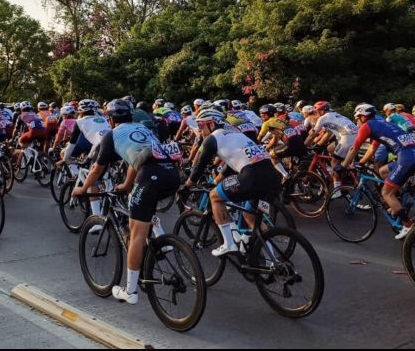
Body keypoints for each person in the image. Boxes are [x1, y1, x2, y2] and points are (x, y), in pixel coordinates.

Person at [71, 100, 180, 305]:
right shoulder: (142, 127)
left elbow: (96, 169)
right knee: (139, 206)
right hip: (171, 175)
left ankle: (130, 291)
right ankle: (158, 240)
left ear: (111, 119)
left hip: (150, 177)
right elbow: (135, 160)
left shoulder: (111, 135)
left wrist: (83, 189)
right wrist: (127, 184)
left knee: (136, 233)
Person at [184, 106, 282, 256]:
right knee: (249, 216)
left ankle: (229, 243)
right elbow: (231, 166)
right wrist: (217, 181)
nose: (200, 130)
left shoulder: (213, 138)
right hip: (273, 176)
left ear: (211, 124)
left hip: (252, 176)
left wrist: (186, 187)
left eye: (201, 125)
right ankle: (272, 259)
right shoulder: (236, 133)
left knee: (214, 197)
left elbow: (199, 167)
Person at [341, 103, 415, 239]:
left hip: (406, 159)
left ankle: (407, 224)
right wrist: (361, 162)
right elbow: (372, 149)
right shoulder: (382, 124)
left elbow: (354, 148)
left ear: (363, 117)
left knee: (386, 192)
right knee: (383, 171)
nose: (357, 121)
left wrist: (343, 165)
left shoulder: (367, 126)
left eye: (357, 118)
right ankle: (400, 201)